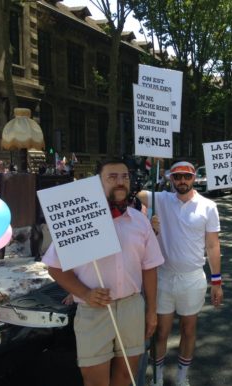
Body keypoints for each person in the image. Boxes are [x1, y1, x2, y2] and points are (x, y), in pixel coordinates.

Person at [42, 158, 164, 386]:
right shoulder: (78, 220)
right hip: (93, 310)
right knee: (95, 381)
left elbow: (150, 267)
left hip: (131, 308)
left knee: (126, 376)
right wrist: (85, 293)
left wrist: (152, 311)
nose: (120, 182)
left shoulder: (140, 221)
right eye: (112, 177)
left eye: (124, 177)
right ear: (98, 183)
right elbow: (55, 267)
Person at [137, 161, 223, 386]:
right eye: (177, 177)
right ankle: (158, 377)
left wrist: (217, 281)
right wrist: (151, 178)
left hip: (193, 277)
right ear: (170, 179)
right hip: (164, 277)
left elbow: (213, 246)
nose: (182, 181)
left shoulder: (208, 206)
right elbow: (136, 194)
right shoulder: (162, 198)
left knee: (188, 328)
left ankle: (183, 377)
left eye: (186, 176)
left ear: (194, 177)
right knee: (160, 331)